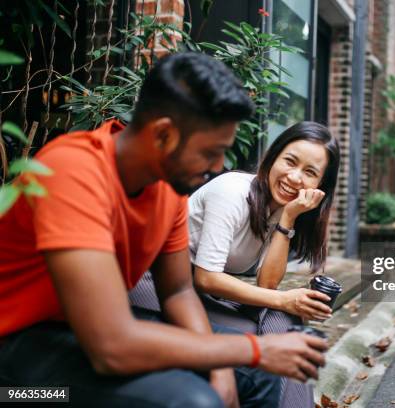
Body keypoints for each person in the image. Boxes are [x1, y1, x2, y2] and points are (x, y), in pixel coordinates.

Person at [0, 53, 327, 407]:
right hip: (19, 352)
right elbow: (111, 347)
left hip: (88, 330)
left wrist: (221, 364)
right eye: (210, 152)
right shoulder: (73, 172)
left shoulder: (168, 188)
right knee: (191, 400)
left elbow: (178, 292)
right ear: (163, 135)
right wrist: (252, 348)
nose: (218, 166)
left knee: (260, 374)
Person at [130, 121, 340, 407]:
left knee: (284, 322)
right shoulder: (232, 192)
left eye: (310, 172)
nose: (294, 177)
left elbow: (267, 285)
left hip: (192, 293)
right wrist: (285, 300)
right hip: (155, 286)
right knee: (274, 324)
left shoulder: (283, 208)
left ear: (320, 186)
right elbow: (207, 278)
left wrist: (288, 219)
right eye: (290, 161)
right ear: (273, 157)